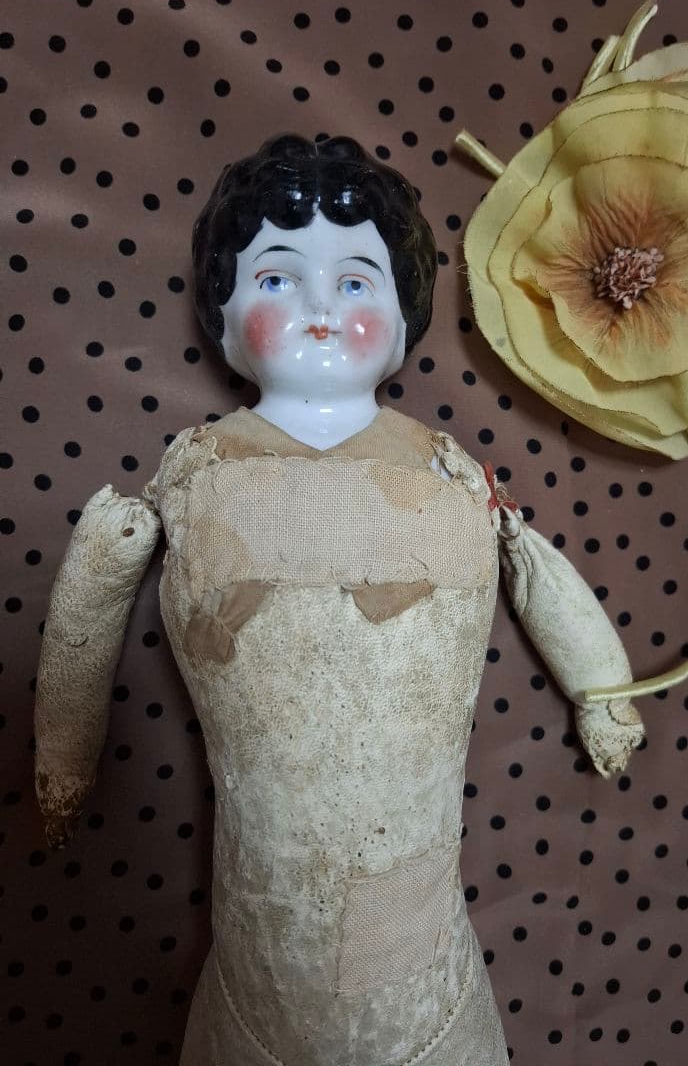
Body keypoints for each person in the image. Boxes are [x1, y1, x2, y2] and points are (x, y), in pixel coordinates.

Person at [34, 134, 644, 1065]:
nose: (319, 308)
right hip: (254, 973)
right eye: (277, 278)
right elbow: (90, 603)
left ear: (402, 322)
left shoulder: (449, 474)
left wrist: (604, 694)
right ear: (223, 317)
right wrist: (64, 764)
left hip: (432, 975)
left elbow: (532, 566)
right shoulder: (198, 472)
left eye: (355, 282)